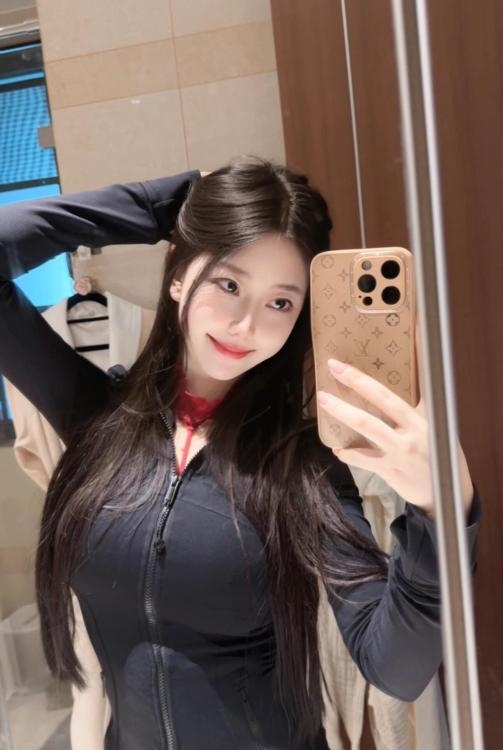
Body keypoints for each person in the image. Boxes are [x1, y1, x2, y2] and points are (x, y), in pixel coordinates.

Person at [0, 156, 480, 750]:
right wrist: (166, 203)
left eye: (281, 303)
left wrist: (439, 511)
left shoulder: (299, 467)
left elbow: (396, 669)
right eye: (229, 284)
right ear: (178, 275)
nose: (246, 324)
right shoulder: (97, 417)